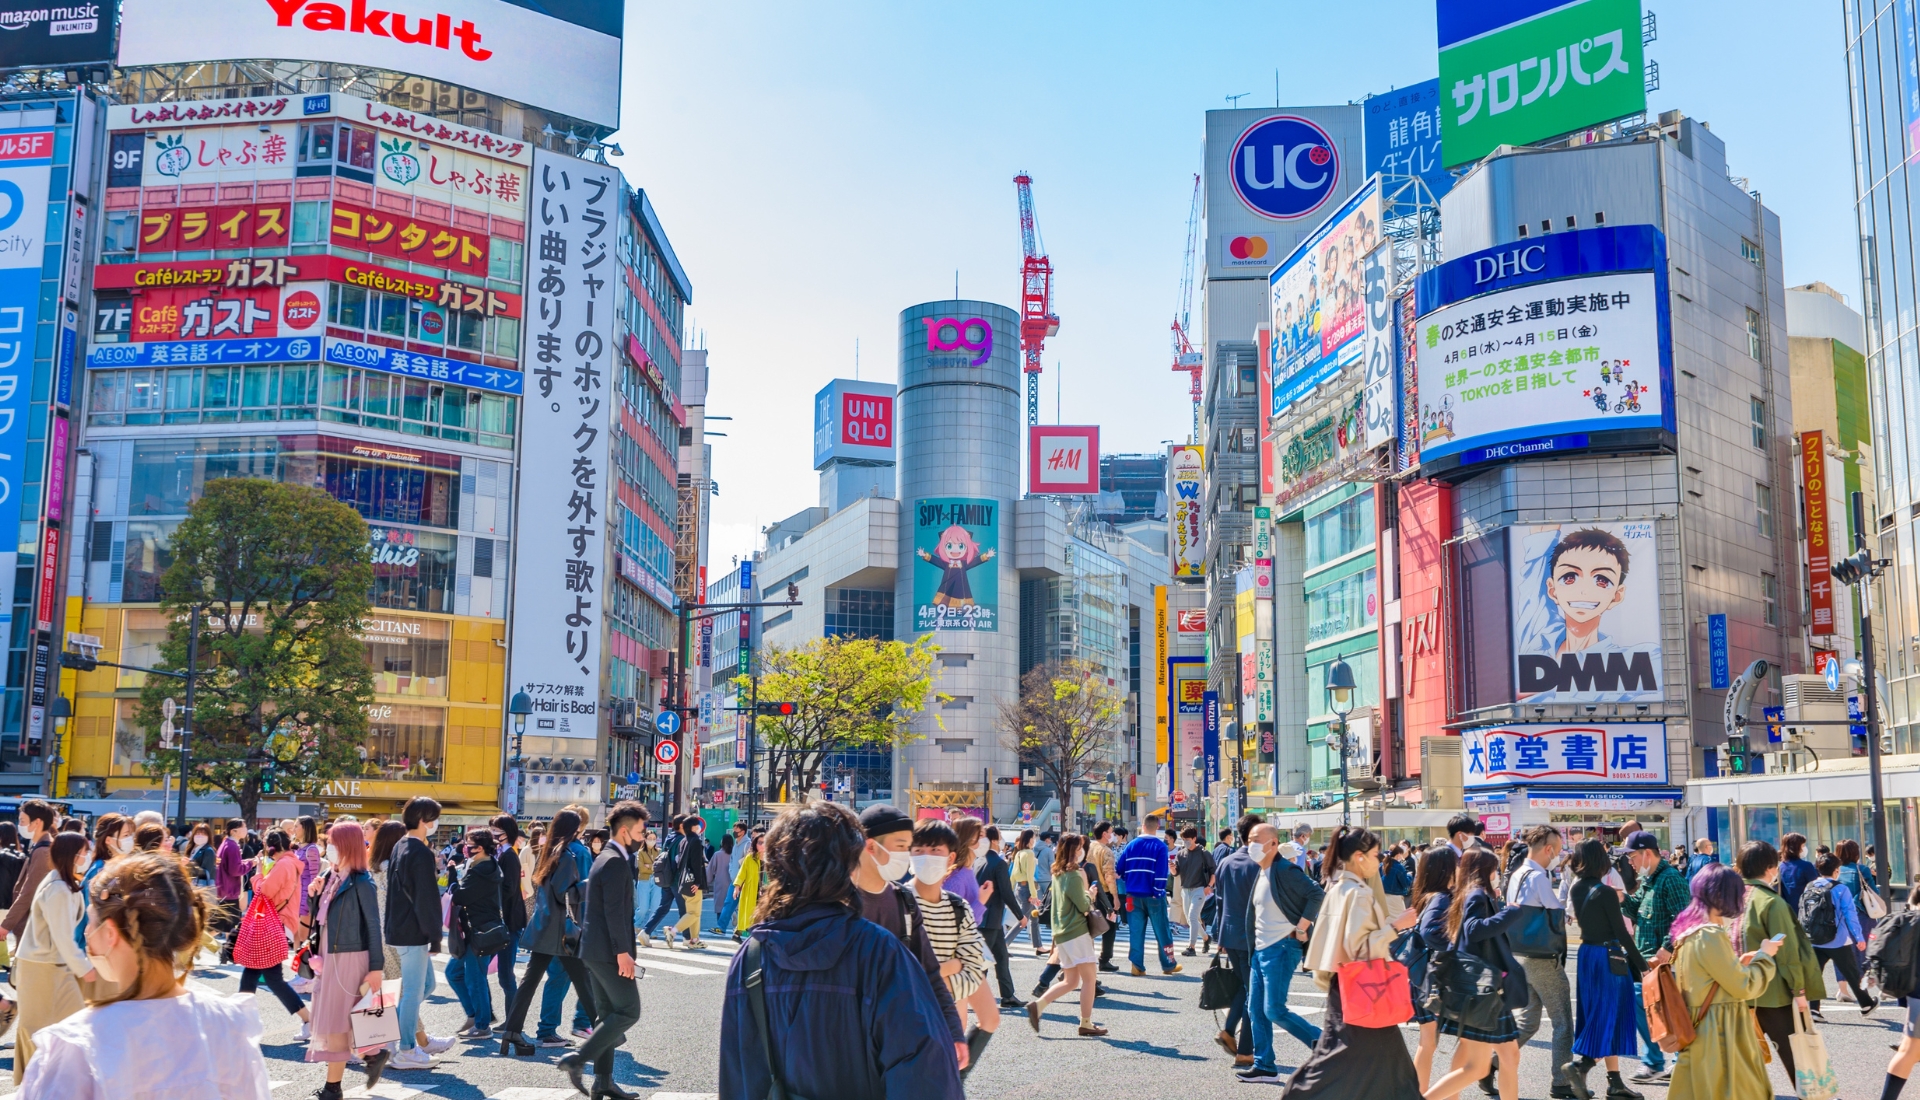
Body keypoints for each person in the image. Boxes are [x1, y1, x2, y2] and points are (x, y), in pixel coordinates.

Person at [720, 801, 964, 1100]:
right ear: (848, 864)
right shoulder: (878, 950)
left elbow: (737, 1074)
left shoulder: (751, 956)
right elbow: (923, 1070)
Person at [17, 852, 271, 1099]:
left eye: (90, 921)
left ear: (110, 932)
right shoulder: (229, 1025)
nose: (85, 932)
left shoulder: (77, 1046)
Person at [1284, 825, 1421, 1100]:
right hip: (1364, 986)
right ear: (1359, 857)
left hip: (1346, 983)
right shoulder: (1358, 893)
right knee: (1379, 1067)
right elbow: (1360, 946)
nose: (1377, 859)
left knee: (1349, 1060)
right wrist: (1396, 925)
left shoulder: (1340, 886)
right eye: (1374, 854)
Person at [853, 805, 969, 1069]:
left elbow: (928, 972)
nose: (907, 855)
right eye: (902, 846)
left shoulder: (902, 901)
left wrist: (953, 1031)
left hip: (894, 1040)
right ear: (871, 846)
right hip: (848, 1041)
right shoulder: (840, 900)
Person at [1665, 864, 1780, 1100]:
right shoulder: (1711, 934)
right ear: (1723, 895)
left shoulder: (1688, 934)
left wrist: (1740, 962)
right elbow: (1743, 986)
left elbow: (1708, 977)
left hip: (1698, 1030)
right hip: (1721, 1033)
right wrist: (1765, 957)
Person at [560, 799, 648, 1099]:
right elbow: (614, 912)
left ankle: (603, 1082)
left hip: (595, 949)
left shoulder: (607, 857)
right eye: (640, 830)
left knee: (607, 1013)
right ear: (624, 831)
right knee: (628, 1011)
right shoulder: (613, 861)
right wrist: (623, 952)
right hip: (608, 951)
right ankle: (577, 1060)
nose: (643, 836)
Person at [1424, 847, 1528, 1100]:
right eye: (1494, 869)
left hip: (1484, 989)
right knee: (1478, 1066)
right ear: (1484, 870)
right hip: (1485, 991)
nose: (1497, 874)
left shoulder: (1469, 894)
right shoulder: (1476, 895)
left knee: (1509, 1056)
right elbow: (1474, 930)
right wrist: (1510, 912)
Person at [497, 809, 599, 1058]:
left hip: (544, 927)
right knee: (583, 982)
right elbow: (564, 893)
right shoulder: (567, 855)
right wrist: (590, 884)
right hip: (561, 931)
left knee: (530, 981)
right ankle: (606, 1031)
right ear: (574, 829)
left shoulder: (547, 851)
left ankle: (512, 1030)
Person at [303, 822, 392, 1098]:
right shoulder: (332, 876)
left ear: (344, 845)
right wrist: (315, 894)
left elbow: (374, 926)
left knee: (339, 1021)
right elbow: (323, 919)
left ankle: (336, 1087)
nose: (327, 846)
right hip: (331, 954)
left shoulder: (361, 882)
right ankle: (373, 1055)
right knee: (340, 1020)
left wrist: (376, 967)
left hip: (351, 956)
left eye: (332, 841)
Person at [1234, 821, 1325, 1084]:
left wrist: (1302, 926)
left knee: (1274, 1009)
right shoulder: (1262, 871)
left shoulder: (1285, 869)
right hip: (1261, 950)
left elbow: (1316, 894)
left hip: (1281, 948)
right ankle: (1265, 1066)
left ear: (1273, 843)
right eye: (1249, 839)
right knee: (1255, 1009)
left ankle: (1323, 1043)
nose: (1251, 845)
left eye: (1255, 840)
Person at [1562, 839, 1647, 1100]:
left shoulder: (1577, 889)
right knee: (1610, 1013)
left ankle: (1615, 1082)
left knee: (1599, 1013)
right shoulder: (1607, 892)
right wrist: (1642, 966)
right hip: (1608, 957)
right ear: (1601, 860)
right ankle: (1582, 1066)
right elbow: (1621, 932)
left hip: (1587, 956)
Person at [909, 819, 997, 1069]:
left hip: (948, 1000)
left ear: (951, 856)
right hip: (913, 1015)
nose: (927, 857)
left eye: (935, 850)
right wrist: (952, 966)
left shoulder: (957, 906)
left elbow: (971, 966)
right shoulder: (898, 903)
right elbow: (905, 971)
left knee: (950, 1058)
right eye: (918, 850)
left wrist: (933, 975)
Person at [12, 833, 92, 1083]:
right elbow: (62, 936)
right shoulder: (58, 887)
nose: (87, 856)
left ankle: (43, 1083)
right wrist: (85, 968)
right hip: (43, 967)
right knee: (39, 1028)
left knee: (53, 1027)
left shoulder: (61, 882)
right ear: (72, 855)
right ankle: (35, 1083)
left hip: (48, 965)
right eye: (84, 851)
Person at [1735, 840, 1815, 1081]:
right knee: (1797, 1057)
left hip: (1738, 990)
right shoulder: (1772, 902)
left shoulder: (1731, 898)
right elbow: (1788, 953)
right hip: (1773, 993)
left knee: (1745, 1058)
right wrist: (1799, 991)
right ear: (1771, 868)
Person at [1506, 825, 1575, 1100]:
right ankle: (1561, 1083)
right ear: (1548, 849)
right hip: (1543, 958)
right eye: (1557, 851)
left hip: (1520, 954)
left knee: (1529, 1021)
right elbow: (1556, 910)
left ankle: (1491, 1062)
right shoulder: (1538, 877)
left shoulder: (1516, 874)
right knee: (1562, 1022)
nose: (1557, 856)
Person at [385, 796, 448, 1071]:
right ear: (424, 820)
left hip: (399, 927)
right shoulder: (420, 851)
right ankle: (406, 1049)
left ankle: (395, 1038)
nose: (435, 823)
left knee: (424, 987)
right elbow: (427, 897)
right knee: (413, 991)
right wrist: (435, 934)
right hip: (413, 930)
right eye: (434, 818)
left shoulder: (400, 845)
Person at [1026, 832, 1107, 1036]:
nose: (1082, 851)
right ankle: (1086, 1023)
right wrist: (1091, 895)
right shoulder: (1073, 875)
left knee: (1071, 981)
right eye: (1079, 847)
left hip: (1062, 933)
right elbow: (1083, 906)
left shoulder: (1058, 874)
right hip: (1077, 932)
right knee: (1089, 979)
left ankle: (1039, 1005)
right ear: (1073, 850)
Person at [1620, 830, 1684, 1084]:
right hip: (1646, 962)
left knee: (1671, 1012)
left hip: (1665, 963)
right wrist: (1622, 898)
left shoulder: (1670, 879)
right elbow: (1636, 907)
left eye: (1632, 856)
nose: (1630, 862)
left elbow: (1683, 918)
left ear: (1647, 853)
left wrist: (1668, 947)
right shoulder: (1649, 880)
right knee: (1646, 1011)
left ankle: (1676, 1061)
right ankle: (1655, 1062)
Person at [240, 829, 313, 1037]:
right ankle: (241, 1020)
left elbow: (265, 891)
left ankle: (309, 1020)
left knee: (271, 977)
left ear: (270, 847)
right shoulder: (291, 862)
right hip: (279, 922)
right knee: (254, 972)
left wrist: (259, 874)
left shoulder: (283, 865)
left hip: (273, 924)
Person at [1209, 812, 1265, 1067]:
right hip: (1253, 937)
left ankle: (1229, 1031)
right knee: (1255, 992)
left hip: (1229, 935)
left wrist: (1218, 935)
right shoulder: (1260, 864)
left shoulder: (1227, 862)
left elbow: (1219, 902)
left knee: (1246, 987)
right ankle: (1244, 1050)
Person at [1408, 846, 1460, 1093]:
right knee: (1430, 1042)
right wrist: (1455, 946)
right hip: (1430, 979)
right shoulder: (1440, 897)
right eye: (1456, 863)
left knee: (1428, 1042)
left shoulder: (1428, 894)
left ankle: (1420, 1093)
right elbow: (1429, 932)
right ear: (1446, 869)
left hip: (1423, 977)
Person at [446, 827, 507, 1037]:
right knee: (453, 973)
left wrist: (452, 876)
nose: (465, 849)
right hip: (477, 930)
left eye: (469, 845)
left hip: (480, 931)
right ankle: (476, 1015)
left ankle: (482, 1025)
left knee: (475, 977)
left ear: (480, 848)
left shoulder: (483, 870)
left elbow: (460, 897)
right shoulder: (484, 865)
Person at [1805, 851, 1878, 1017]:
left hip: (1815, 939)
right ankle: (1866, 1004)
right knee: (1851, 973)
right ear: (1836, 870)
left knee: (1815, 973)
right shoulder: (1840, 889)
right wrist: (1859, 937)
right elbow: (1850, 916)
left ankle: (1813, 1009)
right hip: (1837, 940)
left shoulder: (1810, 887)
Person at [1117, 813, 1181, 975]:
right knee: (1162, 930)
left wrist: (1129, 880)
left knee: (1136, 930)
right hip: (1153, 895)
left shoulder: (1131, 845)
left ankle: (1137, 965)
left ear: (1143, 826)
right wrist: (1158, 890)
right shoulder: (1160, 846)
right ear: (1157, 827)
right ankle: (1168, 964)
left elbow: (1119, 869)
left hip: (1132, 894)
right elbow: (1161, 872)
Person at [976, 818, 1027, 1009]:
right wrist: (1020, 915)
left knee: (1001, 957)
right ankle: (972, 996)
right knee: (982, 961)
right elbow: (1006, 892)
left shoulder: (979, 861)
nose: (1003, 840)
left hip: (988, 918)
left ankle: (1008, 996)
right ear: (995, 841)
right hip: (990, 919)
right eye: (1000, 837)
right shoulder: (998, 863)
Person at [491, 814, 528, 1012]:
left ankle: (513, 1020)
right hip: (503, 921)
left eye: (497, 830)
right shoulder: (501, 853)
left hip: (509, 922)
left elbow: (509, 888)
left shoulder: (510, 857)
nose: (494, 834)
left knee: (506, 974)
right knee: (503, 974)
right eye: (492, 829)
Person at [666, 816, 710, 950]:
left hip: (683, 881)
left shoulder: (683, 841)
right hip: (693, 882)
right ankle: (672, 931)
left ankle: (694, 940)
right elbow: (696, 863)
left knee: (694, 912)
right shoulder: (695, 841)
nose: (699, 828)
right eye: (697, 826)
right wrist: (698, 882)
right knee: (694, 913)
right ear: (692, 827)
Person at [641, 813, 683, 946]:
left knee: (662, 907)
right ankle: (688, 938)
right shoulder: (682, 839)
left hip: (666, 878)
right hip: (676, 879)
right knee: (685, 910)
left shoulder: (668, 838)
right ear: (682, 825)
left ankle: (645, 931)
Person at [1836, 837, 1879, 964]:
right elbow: (1874, 893)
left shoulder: (1835, 871)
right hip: (1861, 915)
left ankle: (1850, 982)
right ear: (1856, 853)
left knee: (1848, 955)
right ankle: (1864, 981)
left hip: (1840, 917)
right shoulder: (1862, 869)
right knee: (1865, 954)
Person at [1175, 826, 1216, 956]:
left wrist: (1209, 886)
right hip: (1185, 889)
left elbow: (1213, 872)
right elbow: (1176, 872)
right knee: (1190, 919)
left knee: (1192, 916)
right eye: (1183, 839)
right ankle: (1206, 938)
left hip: (1199, 889)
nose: (1185, 842)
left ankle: (1191, 947)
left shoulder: (1204, 853)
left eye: (1187, 839)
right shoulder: (1181, 854)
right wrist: (1171, 868)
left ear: (1194, 838)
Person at [212, 818, 247, 962]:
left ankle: (227, 953)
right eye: (244, 826)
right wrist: (250, 863)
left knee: (228, 924)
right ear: (234, 830)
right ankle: (195, 944)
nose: (246, 829)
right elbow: (235, 870)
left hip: (224, 890)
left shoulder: (226, 843)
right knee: (223, 924)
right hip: (229, 891)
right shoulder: (232, 846)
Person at [1088, 822, 1120, 971]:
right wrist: (1115, 896)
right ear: (1104, 834)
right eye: (1110, 831)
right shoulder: (1107, 851)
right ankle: (1104, 959)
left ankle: (1086, 960)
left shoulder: (1089, 847)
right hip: (1104, 893)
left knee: (1089, 928)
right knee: (1110, 926)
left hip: (1089, 891)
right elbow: (1109, 876)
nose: (1112, 834)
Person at [732, 831, 762, 940]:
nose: (763, 845)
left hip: (766, 892)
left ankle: (742, 934)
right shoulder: (750, 858)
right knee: (751, 914)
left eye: (765, 842)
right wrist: (737, 887)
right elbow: (742, 873)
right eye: (760, 843)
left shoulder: (771, 858)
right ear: (755, 844)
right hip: (752, 890)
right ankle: (750, 937)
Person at [1030, 830, 1056, 956]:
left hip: (1035, 879)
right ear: (1047, 839)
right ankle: (1047, 921)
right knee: (1048, 902)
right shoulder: (1048, 850)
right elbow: (1052, 865)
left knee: (1039, 903)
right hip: (1046, 878)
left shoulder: (1033, 849)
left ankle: (1040, 919)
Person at [1778, 833, 1817, 912]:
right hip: (1805, 911)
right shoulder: (1806, 866)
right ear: (1796, 847)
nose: (1804, 848)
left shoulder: (1780, 867)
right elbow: (1816, 888)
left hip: (1786, 911)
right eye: (1802, 846)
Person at [293, 816, 322, 920]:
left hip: (304, 898)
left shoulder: (311, 849)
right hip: (294, 896)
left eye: (296, 826)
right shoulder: (297, 848)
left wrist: (310, 902)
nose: (293, 829)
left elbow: (314, 878)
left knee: (300, 935)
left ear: (305, 828)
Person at [708, 832, 736, 935]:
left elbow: (710, 870)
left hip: (720, 882)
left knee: (720, 905)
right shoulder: (735, 853)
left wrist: (705, 881)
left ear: (722, 842)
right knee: (731, 903)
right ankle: (733, 914)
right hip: (733, 881)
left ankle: (720, 926)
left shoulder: (717, 854)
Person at [184, 822, 216, 887]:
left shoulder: (208, 850)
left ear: (208, 836)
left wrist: (189, 864)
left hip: (201, 887)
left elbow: (206, 872)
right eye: (198, 833)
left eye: (204, 834)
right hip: (190, 884)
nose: (200, 836)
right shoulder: (192, 849)